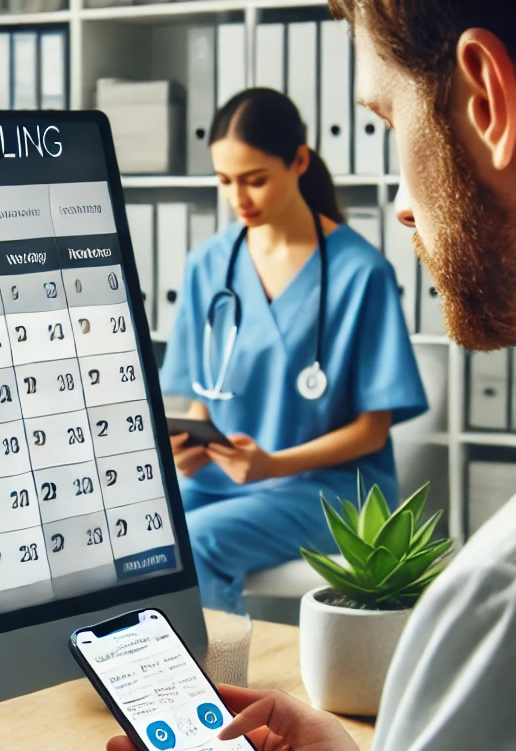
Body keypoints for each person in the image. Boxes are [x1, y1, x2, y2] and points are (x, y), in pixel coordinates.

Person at [0, 4, 516, 751]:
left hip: (317, 485)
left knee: (200, 536)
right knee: (143, 516)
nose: (396, 201)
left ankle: (188, 680)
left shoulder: (505, 609)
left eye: (386, 117)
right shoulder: (215, 267)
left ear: (486, 99)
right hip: (235, 469)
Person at [159, 88, 427, 612]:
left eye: (256, 180)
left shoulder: (360, 272)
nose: (240, 199)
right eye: (225, 182)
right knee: (140, 539)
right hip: (223, 477)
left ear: (299, 161)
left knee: (193, 544)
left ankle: (215, 686)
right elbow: (202, 401)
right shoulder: (206, 265)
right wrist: (188, 452)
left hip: (324, 492)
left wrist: (273, 465)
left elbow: (371, 430)